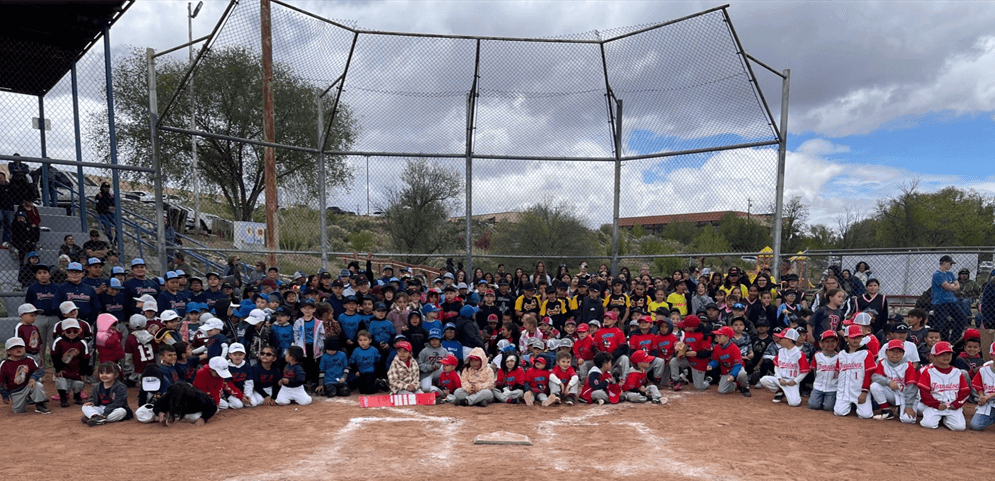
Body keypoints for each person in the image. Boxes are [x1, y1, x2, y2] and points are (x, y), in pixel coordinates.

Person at [918, 341, 970, 431]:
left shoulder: (957, 372)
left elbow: (965, 392)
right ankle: (938, 417)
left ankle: (945, 420)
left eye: (949, 354)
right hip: (934, 405)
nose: (946, 357)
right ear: (933, 356)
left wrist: (957, 404)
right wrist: (936, 404)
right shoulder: (927, 371)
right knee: (928, 424)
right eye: (942, 354)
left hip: (952, 406)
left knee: (959, 427)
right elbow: (924, 393)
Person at [869, 339, 919, 423]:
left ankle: (902, 408)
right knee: (874, 386)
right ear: (886, 352)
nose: (895, 354)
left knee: (908, 420)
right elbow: (875, 377)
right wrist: (888, 382)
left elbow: (912, 387)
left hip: (906, 395)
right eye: (892, 351)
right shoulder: (882, 362)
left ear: (903, 354)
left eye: (899, 351)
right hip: (891, 393)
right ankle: (886, 411)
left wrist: (908, 406)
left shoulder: (908, 365)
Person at [834, 325, 875, 419]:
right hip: (844, 392)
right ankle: (851, 405)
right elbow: (837, 373)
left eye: (859, 337)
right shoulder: (841, 354)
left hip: (859, 391)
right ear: (846, 338)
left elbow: (869, 374)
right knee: (839, 412)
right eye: (852, 337)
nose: (856, 340)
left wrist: (864, 392)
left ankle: (872, 402)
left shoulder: (866, 353)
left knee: (866, 415)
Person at [759, 328, 808, 406]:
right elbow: (777, 367)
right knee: (764, 380)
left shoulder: (799, 354)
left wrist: (795, 381)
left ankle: (787, 392)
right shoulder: (781, 351)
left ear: (789, 340)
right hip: (781, 380)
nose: (779, 340)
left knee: (794, 403)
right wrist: (779, 378)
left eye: (782, 338)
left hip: (791, 382)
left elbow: (805, 371)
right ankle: (780, 391)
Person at [0, 337, 50, 414]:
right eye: (14, 348)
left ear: (25, 348)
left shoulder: (29, 359)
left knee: (37, 385)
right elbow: (2, 382)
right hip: (15, 390)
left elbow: (39, 370)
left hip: (28, 385)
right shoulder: (4, 364)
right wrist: (5, 395)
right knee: (18, 411)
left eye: (21, 347)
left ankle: (40, 404)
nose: (18, 349)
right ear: (8, 352)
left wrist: (33, 378)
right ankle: (26, 400)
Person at [51, 318, 91, 407]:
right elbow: (55, 356)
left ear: (79, 331)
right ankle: (63, 398)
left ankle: (77, 396)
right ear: (63, 332)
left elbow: (85, 359)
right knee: (61, 381)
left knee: (78, 383)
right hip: (63, 368)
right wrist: (58, 369)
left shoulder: (82, 343)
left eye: (75, 331)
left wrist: (82, 372)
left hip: (76, 368)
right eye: (68, 331)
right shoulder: (58, 341)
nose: (72, 333)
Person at [932, 255, 967, 342]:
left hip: (952, 301)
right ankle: (939, 340)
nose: (950, 266)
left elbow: (957, 285)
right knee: (941, 323)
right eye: (950, 263)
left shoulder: (950, 274)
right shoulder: (937, 274)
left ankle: (953, 340)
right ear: (944, 263)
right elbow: (946, 286)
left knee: (962, 318)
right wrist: (952, 286)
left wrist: (951, 286)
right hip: (940, 302)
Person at [709, 326, 751, 397]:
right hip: (726, 370)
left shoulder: (734, 348)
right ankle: (736, 385)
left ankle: (745, 387)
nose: (717, 337)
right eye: (717, 335)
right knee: (721, 390)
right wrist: (710, 365)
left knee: (742, 374)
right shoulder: (716, 348)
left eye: (719, 335)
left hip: (736, 369)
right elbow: (716, 361)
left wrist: (733, 375)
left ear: (727, 337)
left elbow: (738, 364)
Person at [809, 330, 840, 411]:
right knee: (813, 405)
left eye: (833, 341)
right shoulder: (817, 355)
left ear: (837, 343)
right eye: (827, 341)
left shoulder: (839, 357)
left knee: (828, 407)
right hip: (818, 386)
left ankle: (826, 400)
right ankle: (820, 398)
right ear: (821, 343)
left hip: (832, 387)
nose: (830, 344)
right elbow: (814, 371)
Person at [969, 342, 995, 431]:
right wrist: (981, 396)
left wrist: (989, 396)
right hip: (988, 404)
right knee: (975, 426)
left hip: (989, 399)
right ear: (991, 355)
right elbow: (978, 385)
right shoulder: (984, 370)